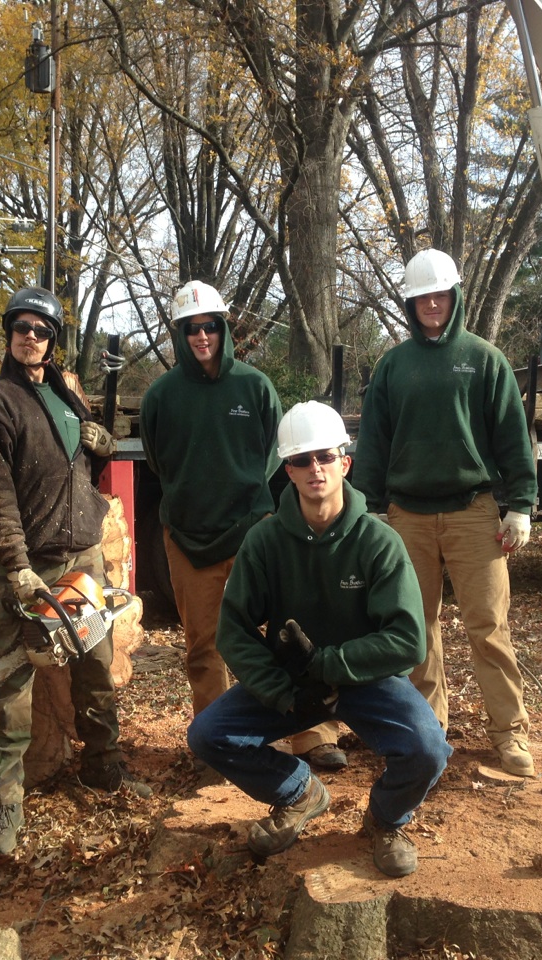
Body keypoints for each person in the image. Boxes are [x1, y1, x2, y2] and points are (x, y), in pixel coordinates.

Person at [187, 402, 450, 878]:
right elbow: (234, 630)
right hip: (293, 685)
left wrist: (329, 664)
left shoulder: (378, 541)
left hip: (365, 679)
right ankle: (298, 792)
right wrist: (282, 690)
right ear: (288, 470)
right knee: (209, 735)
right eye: (302, 460)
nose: (315, 469)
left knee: (429, 749)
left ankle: (387, 819)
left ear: (344, 462)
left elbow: (409, 640)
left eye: (325, 457)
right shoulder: (264, 542)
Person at [0, 285, 150, 857]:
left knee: (95, 665)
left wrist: (101, 446)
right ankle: (3, 803)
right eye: (21, 327)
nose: (30, 337)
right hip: (31, 566)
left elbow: (77, 469)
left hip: (84, 555)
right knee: (10, 685)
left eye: (41, 330)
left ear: (53, 341)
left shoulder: (67, 397)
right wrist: (16, 567)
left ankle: (104, 762)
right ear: (9, 334)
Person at [141, 281, 343, 769]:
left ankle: (312, 733)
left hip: (253, 530)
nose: (202, 336)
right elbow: (157, 461)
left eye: (210, 325)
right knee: (203, 644)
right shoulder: (161, 397)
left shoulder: (253, 386)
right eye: (191, 328)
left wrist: (252, 505)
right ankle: (220, 746)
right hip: (189, 537)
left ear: (224, 329)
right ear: (180, 334)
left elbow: (275, 457)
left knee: (287, 629)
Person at [354, 249, 539, 778]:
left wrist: (520, 504)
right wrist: (365, 507)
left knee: (488, 626)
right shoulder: (393, 366)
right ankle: (428, 731)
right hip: (407, 516)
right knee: (416, 629)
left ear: (454, 297)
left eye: (439, 295)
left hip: (472, 512)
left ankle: (509, 734)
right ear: (410, 304)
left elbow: (511, 436)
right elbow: (373, 443)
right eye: (421, 298)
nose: (431, 304)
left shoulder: (483, 359)